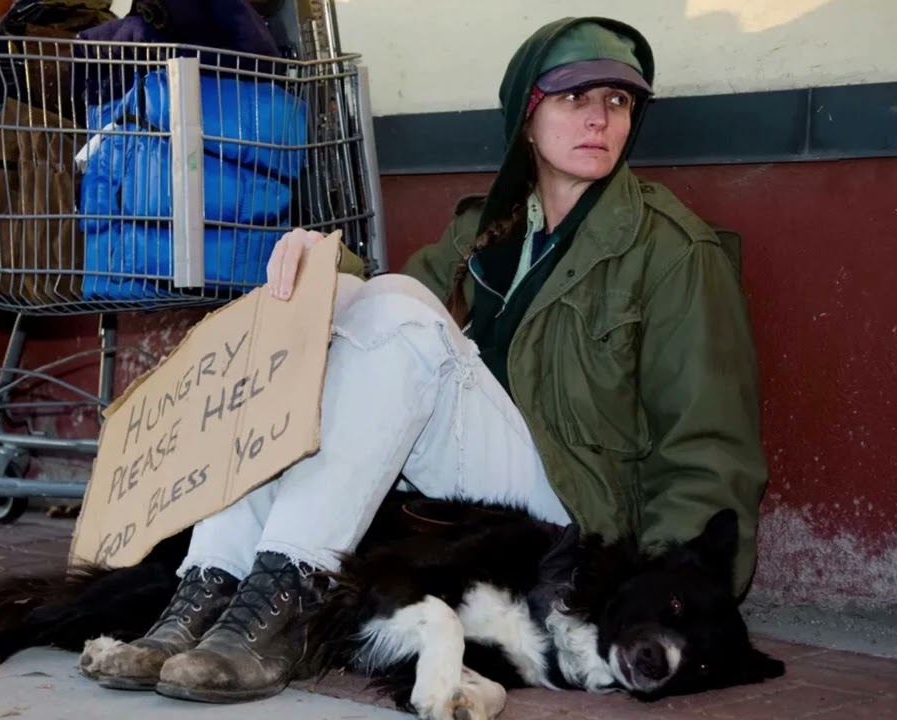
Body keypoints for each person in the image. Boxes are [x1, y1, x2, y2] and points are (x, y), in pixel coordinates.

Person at [86, 15, 768, 704]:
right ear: (526, 119)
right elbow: (385, 327)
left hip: (572, 524)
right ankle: (206, 588)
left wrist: (677, 586)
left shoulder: (674, 252)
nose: (599, 118)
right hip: (480, 502)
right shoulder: (483, 229)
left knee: (397, 312)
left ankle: (288, 598)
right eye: (574, 98)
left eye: (617, 102)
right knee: (349, 313)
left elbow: (708, 443)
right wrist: (322, 270)